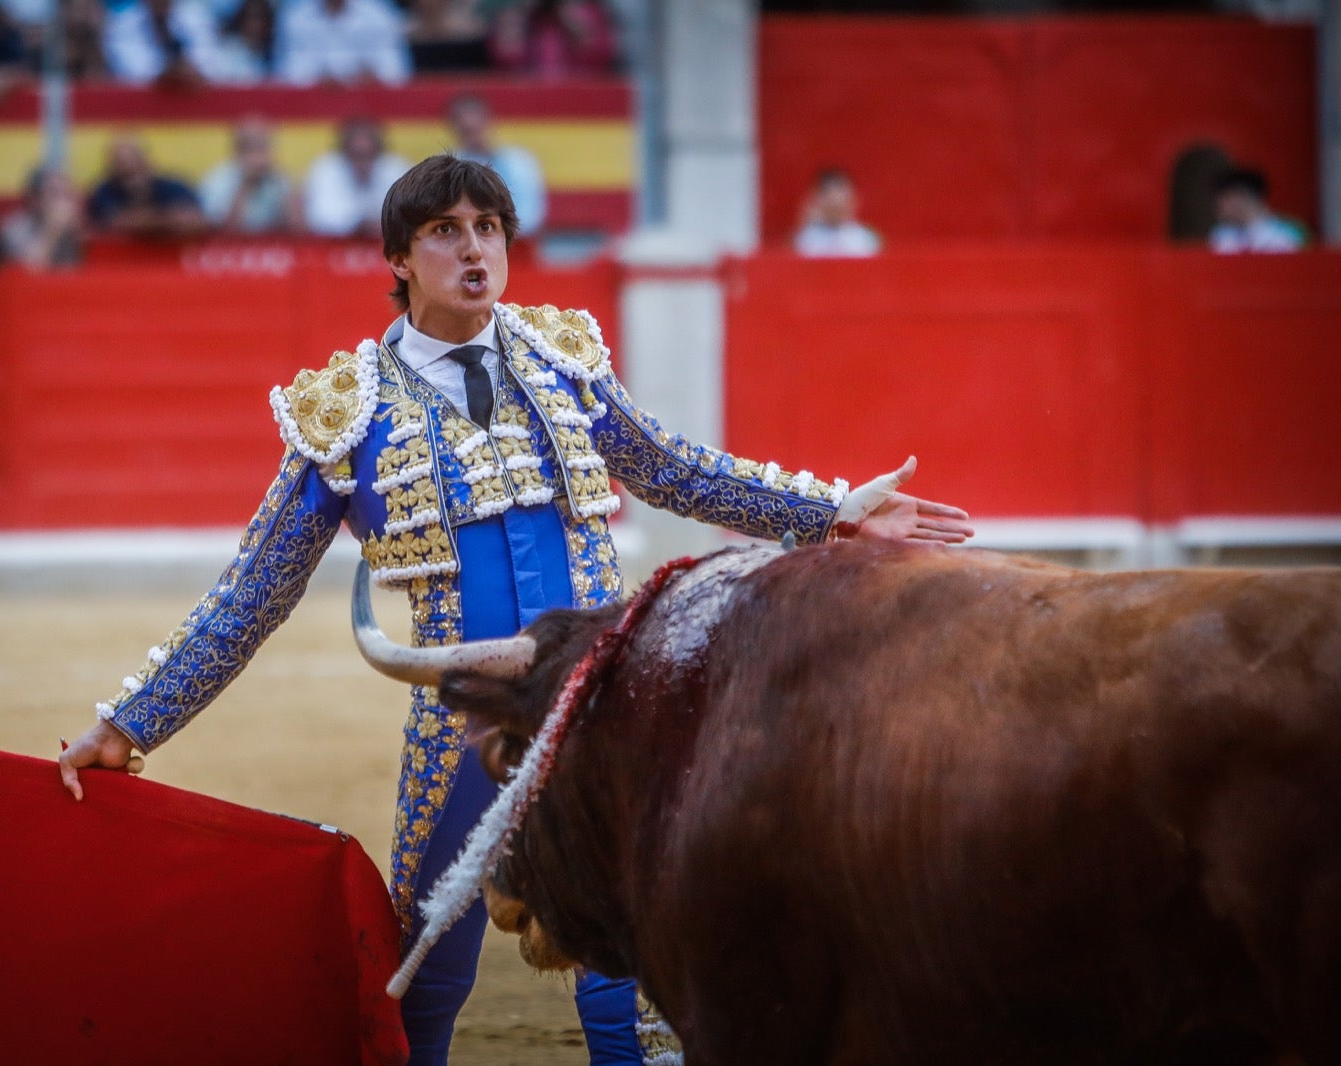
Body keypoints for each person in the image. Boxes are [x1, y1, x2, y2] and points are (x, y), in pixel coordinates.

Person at [59, 154, 974, 1066]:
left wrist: (830, 514)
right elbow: (255, 590)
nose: (474, 249)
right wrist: (133, 723)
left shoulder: (560, 359)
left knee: (624, 963)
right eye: (445, 230)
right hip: (465, 717)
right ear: (399, 259)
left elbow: (675, 469)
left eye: (489, 227)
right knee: (426, 962)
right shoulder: (347, 411)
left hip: (598, 708)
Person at [446, 92, 545, 235]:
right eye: (466, 130)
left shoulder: (520, 161)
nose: (473, 135)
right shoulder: (447, 169)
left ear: (489, 121)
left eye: (475, 128)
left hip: (518, 243)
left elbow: (531, 215)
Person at [302, 114, 407, 239]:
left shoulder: (396, 169)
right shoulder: (326, 169)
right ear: (344, 152)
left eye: (368, 155)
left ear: (379, 152)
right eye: (357, 155)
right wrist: (358, 223)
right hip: (337, 248)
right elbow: (318, 219)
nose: (362, 163)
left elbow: (409, 217)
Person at [85, 133, 208, 239]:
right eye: (122, 166)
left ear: (147, 161)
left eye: (136, 162)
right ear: (111, 167)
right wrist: (167, 220)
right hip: (121, 261)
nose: (130, 168)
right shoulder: (103, 192)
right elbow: (118, 222)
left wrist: (148, 221)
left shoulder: (174, 187)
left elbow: (194, 221)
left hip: (172, 259)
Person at [198, 116, 297, 234]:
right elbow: (220, 233)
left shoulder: (280, 178)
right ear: (236, 150)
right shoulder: (217, 179)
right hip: (232, 249)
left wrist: (281, 186)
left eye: (262, 146)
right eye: (249, 147)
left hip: (272, 247)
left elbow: (298, 229)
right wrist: (247, 184)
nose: (256, 155)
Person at [277, 0, 409, 87]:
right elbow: (288, 74)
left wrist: (371, 76)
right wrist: (318, 79)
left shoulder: (380, 15)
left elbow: (396, 73)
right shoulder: (296, 18)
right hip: (314, 106)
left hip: (369, 104)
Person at [103, 0, 220, 87]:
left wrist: (188, 71)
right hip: (140, 112)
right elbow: (135, 75)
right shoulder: (120, 25)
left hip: (195, 105)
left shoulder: (196, 18)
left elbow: (209, 66)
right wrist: (172, 74)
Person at [489, 0, 617, 79]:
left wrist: (575, 23)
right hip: (530, 98)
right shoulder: (522, 16)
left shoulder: (590, 12)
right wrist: (518, 19)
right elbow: (505, 60)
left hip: (579, 97)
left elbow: (603, 52)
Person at [0, 163, 82, 269]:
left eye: (66, 193)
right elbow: (26, 271)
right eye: (55, 193)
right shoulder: (12, 230)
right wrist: (52, 229)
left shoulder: (69, 230)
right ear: (34, 199)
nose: (62, 201)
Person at [1209, 167, 1306, 254]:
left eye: (1225, 199)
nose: (1217, 206)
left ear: (1241, 197)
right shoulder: (1222, 235)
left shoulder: (1286, 235)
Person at [793, 167, 881, 258]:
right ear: (817, 199)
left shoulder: (866, 239)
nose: (835, 201)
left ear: (854, 199)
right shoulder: (806, 239)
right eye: (828, 194)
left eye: (840, 192)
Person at [212, 0, 277, 82]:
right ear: (242, 21)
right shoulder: (227, 55)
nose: (257, 25)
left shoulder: (274, 54)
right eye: (253, 18)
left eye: (262, 19)